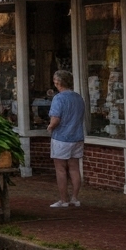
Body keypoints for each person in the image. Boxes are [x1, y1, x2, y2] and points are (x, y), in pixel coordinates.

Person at [47, 70, 86, 208]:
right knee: (74, 168)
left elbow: (56, 119)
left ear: (58, 82)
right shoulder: (78, 97)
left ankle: (64, 200)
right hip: (77, 137)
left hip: (62, 138)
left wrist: (50, 126)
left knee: (61, 169)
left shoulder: (58, 98)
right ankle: (75, 198)